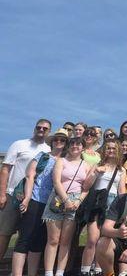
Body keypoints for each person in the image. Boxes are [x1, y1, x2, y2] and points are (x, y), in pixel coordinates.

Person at [11, 128, 67, 276]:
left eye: (62, 140)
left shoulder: (66, 160)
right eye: (56, 139)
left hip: (53, 204)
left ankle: (32, 273)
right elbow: (30, 175)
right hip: (36, 199)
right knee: (25, 237)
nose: (59, 142)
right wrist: (27, 197)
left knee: (38, 240)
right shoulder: (42, 155)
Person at [0, 118, 52, 260]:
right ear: (34, 128)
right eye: (39, 127)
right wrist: (2, 194)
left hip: (35, 197)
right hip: (13, 194)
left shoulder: (49, 150)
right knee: (4, 233)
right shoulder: (19, 144)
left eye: (45, 128)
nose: (41, 130)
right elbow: (5, 169)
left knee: (26, 234)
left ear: (49, 132)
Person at [42, 137, 90, 276]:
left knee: (65, 240)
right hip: (58, 198)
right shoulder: (61, 161)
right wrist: (66, 200)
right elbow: (56, 182)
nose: (75, 146)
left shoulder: (85, 165)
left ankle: (60, 272)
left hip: (76, 200)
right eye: (72, 143)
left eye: (78, 144)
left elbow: (86, 188)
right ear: (68, 146)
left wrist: (78, 201)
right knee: (53, 239)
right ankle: (49, 272)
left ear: (83, 147)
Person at [80, 140, 126, 276]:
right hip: (96, 202)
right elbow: (86, 186)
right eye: (108, 148)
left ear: (118, 151)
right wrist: (96, 173)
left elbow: (121, 190)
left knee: (103, 239)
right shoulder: (97, 165)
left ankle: (98, 269)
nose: (111, 151)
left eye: (113, 148)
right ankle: (85, 269)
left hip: (112, 203)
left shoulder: (121, 170)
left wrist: (123, 209)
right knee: (92, 239)